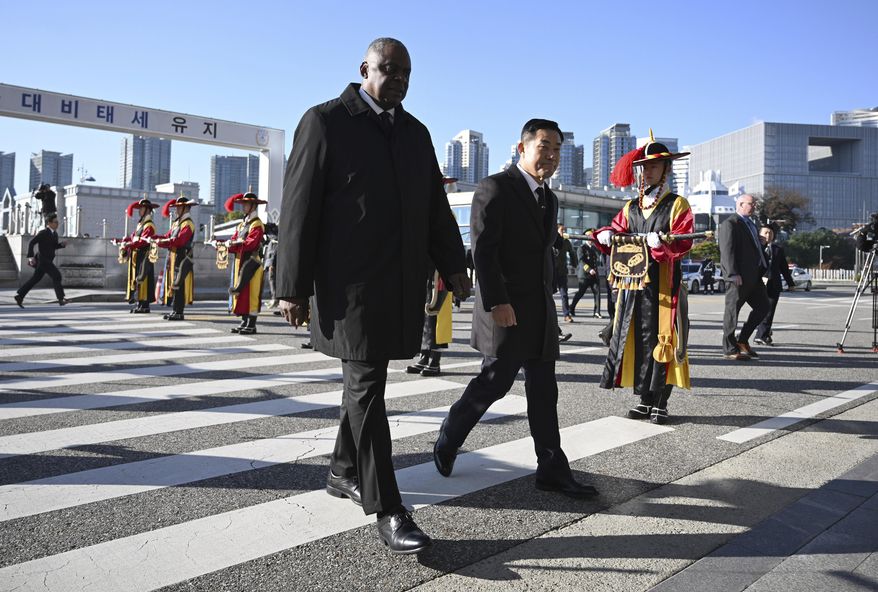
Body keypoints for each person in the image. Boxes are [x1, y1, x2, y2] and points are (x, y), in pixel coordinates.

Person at [276, 38, 470, 555]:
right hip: (346, 289)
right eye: (389, 69)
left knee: (369, 383)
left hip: (398, 284)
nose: (399, 79)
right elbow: (297, 209)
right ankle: (388, 507)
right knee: (366, 387)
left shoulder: (415, 133)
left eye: (407, 72)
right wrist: (291, 286)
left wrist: (455, 265)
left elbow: (434, 209)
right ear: (365, 68)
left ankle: (343, 470)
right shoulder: (325, 121)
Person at [433, 118, 598, 500]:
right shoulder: (496, 187)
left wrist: (552, 305)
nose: (552, 155)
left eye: (557, 149)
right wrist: (497, 302)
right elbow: (483, 250)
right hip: (505, 308)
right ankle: (450, 435)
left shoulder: (549, 197)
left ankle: (551, 467)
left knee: (544, 390)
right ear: (522, 148)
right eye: (544, 146)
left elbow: (543, 256)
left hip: (539, 310)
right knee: (495, 382)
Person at [593, 131, 694, 424]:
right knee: (637, 340)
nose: (647, 171)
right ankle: (644, 399)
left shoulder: (678, 204)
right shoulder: (630, 207)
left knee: (663, 339)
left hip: (664, 287)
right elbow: (613, 231)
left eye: (653, 166)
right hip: (634, 287)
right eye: (644, 166)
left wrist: (661, 243)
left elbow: (683, 241)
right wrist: (606, 234)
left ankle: (661, 400)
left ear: (666, 168)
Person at [718, 194, 770, 360]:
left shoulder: (751, 225)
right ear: (740, 204)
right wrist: (732, 273)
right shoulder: (730, 223)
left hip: (754, 276)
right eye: (750, 203)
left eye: (754, 204)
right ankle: (729, 348)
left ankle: (742, 340)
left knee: (763, 307)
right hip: (738, 276)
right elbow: (727, 251)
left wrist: (761, 243)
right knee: (732, 311)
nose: (754, 206)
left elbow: (751, 248)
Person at [220, 192, 267, 334]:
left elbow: (251, 243)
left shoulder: (257, 224)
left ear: (253, 206)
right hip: (241, 261)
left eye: (246, 204)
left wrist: (236, 243)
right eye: (243, 204)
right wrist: (226, 244)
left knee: (252, 293)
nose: (244, 207)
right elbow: (235, 239)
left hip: (252, 263)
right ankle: (244, 322)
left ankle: (251, 324)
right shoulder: (242, 224)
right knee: (243, 294)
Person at [155, 196, 198, 321]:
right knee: (175, 284)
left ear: (185, 208)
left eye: (179, 207)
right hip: (174, 256)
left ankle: (179, 311)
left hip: (182, 256)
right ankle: (175, 310)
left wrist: (164, 241)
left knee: (179, 285)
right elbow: (167, 236)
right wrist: (156, 238)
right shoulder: (176, 223)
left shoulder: (188, 223)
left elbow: (180, 241)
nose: (176, 210)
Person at [14, 213, 68, 307]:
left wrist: (61, 245)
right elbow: (32, 243)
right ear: (49, 223)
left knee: (35, 279)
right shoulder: (43, 233)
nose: (57, 224)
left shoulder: (54, 234)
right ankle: (61, 299)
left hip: (48, 261)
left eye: (57, 222)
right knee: (57, 276)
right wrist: (31, 257)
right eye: (55, 222)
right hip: (43, 260)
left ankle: (20, 296)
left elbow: (53, 246)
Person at [407, 270, 452, 376]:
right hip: (426, 273)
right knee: (424, 320)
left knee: (438, 319)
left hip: (440, 274)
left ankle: (435, 360)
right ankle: (424, 357)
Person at [754, 225, 795, 346]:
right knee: (760, 310)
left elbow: (784, 268)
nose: (768, 235)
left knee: (770, 311)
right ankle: (761, 334)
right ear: (759, 234)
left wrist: (790, 283)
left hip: (774, 284)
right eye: (766, 233)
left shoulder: (778, 249)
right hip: (758, 283)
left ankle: (762, 335)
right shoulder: (755, 247)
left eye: (770, 233)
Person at [119, 198, 159, 313]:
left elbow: (143, 241)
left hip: (144, 254)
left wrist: (130, 244)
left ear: (147, 210)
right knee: (137, 278)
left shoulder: (149, 225)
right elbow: (133, 237)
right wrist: (124, 241)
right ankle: (139, 303)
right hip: (138, 255)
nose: (139, 211)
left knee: (144, 278)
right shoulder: (141, 224)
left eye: (141, 209)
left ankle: (145, 305)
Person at [570, 233, 603, 319]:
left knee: (597, 292)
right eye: (589, 237)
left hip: (594, 275)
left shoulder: (594, 248)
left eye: (592, 238)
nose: (591, 240)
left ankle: (596, 312)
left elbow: (598, 258)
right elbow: (581, 262)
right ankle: (571, 308)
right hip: (584, 275)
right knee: (581, 293)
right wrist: (589, 269)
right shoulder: (581, 248)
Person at [554, 224, 577, 322]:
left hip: (562, 271)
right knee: (549, 294)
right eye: (562, 230)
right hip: (552, 271)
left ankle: (566, 315)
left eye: (564, 230)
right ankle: (550, 316)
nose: (563, 232)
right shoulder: (551, 240)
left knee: (564, 294)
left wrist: (574, 264)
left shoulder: (566, 242)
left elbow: (572, 253)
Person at [262, 222, 279, 310]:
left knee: (272, 279)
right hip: (272, 258)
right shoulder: (271, 234)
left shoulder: (273, 235)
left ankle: (275, 299)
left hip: (273, 258)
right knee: (272, 279)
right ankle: (275, 299)